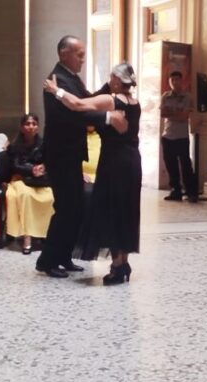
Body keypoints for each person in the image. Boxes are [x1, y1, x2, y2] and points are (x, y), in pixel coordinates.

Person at [35, 35, 127, 278]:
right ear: (64, 53)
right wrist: (107, 117)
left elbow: (86, 101)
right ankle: (47, 261)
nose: (83, 59)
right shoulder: (57, 80)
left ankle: (63, 256)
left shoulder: (71, 78)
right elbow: (74, 114)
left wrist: (110, 86)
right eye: (79, 54)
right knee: (65, 207)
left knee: (75, 207)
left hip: (71, 154)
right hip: (60, 155)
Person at [44, 62, 141, 284]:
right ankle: (123, 263)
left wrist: (56, 91)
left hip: (114, 162)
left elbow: (78, 105)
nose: (109, 80)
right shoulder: (134, 103)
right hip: (132, 161)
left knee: (112, 210)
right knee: (126, 210)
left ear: (117, 80)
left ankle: (117, 266)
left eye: (111, 77)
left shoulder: (111, 101)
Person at [5, 113, 54, 254]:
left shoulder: (44, 144)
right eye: (27, 124)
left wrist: (42, 167)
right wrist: (31, 169)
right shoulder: (14, 146)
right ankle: (27, 237)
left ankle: (45, 234)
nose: (31, 126)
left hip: (40, 180)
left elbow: (50, 161)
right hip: (20, 178)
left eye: (34, 124)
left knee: (50, 197)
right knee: (26, 196)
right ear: (22, 127)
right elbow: (14, 165)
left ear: (38, 127)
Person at [160, 70, 198, 202]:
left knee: (185, 164)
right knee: (171, 165)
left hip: (182, 136)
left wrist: (172, 113)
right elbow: (163, 113)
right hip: (168, 135)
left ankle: (191, 191)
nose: (175, 82)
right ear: (169, 82)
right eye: (172, 80)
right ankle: (175, 190)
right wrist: (177, 113)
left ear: (182, 81)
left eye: (177, 80)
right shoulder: (165, 96)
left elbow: (184, 116)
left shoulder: (187, 97)